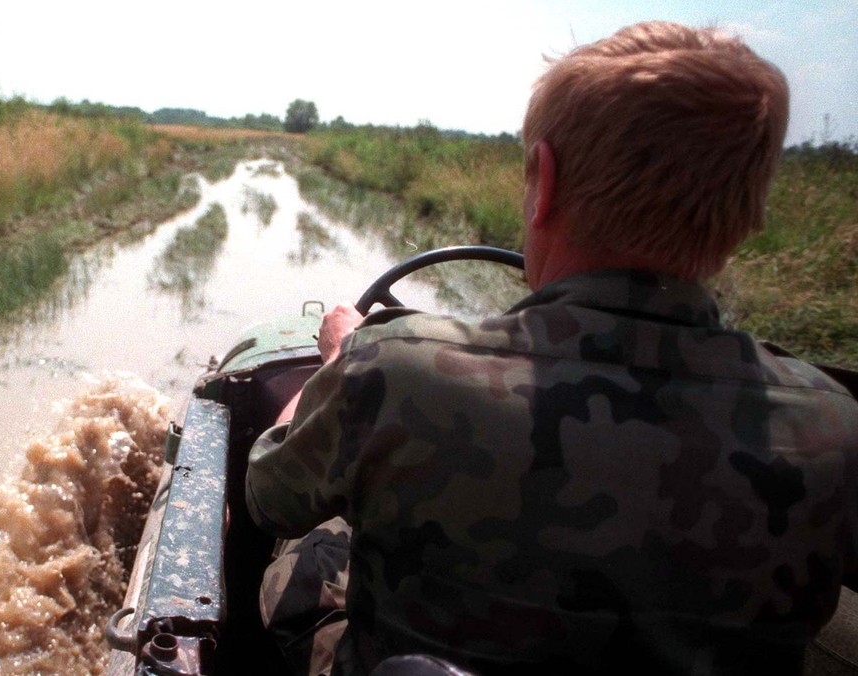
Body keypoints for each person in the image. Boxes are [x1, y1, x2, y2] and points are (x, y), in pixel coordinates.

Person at [245, 21, 858, 676]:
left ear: (547, 180)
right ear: (751, 215)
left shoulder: (393, 370)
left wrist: (338, 364)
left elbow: (267, 493)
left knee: (316, 537)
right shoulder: (833, 423)